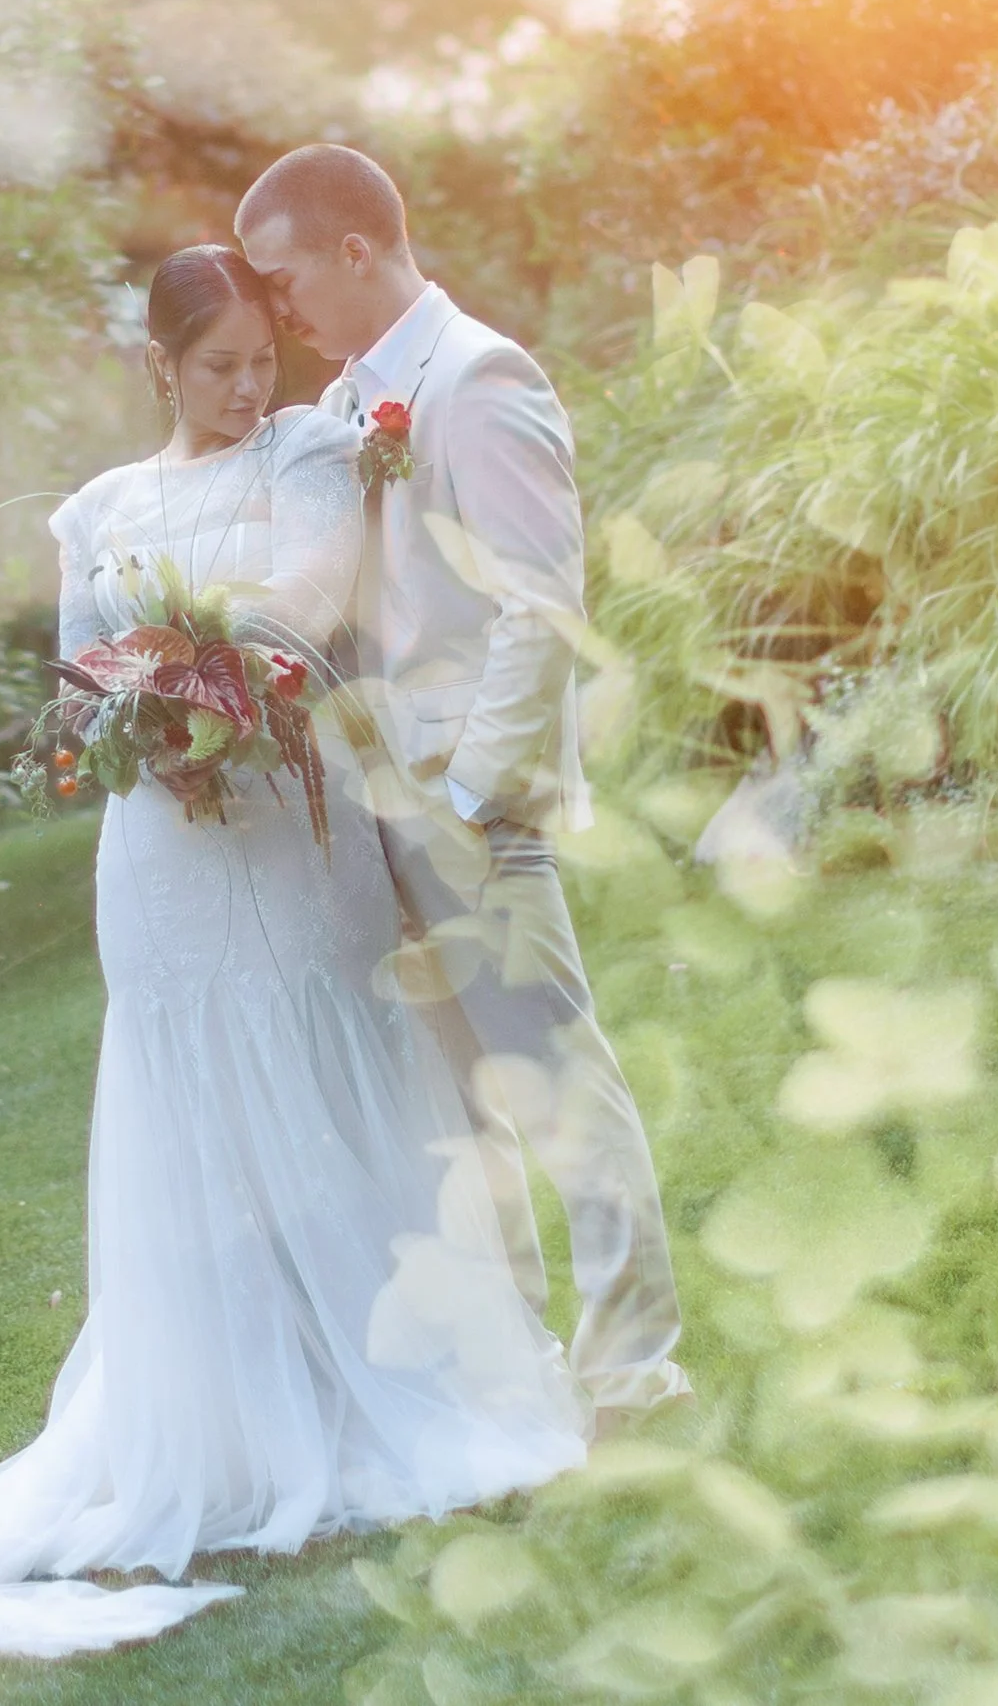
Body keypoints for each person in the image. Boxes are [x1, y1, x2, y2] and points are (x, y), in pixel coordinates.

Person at [0, 245, 589, 1668]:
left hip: (293, 832)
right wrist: (144, 716)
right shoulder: (97, 512)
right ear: (160, 365)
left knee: (339, 1063)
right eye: (218, 368)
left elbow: (306, 603)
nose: (248, 386)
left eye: (261, 359)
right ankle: (230, 1415)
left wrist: (219, 677)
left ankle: (379, 1377)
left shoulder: (317, 452)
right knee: (196, 1100)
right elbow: (79, 678)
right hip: (161, 853)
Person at [237, 146, 691, 1431]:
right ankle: (523, 1365)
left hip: (464, 803)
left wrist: (479, 791)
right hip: (369, 814)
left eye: (284, 280)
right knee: (453, 1113)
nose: (278, 311)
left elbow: (540, 602)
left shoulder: (480, 377)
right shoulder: (344, 404)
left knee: (556, 1084)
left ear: (353, 250)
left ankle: (633, 1373)